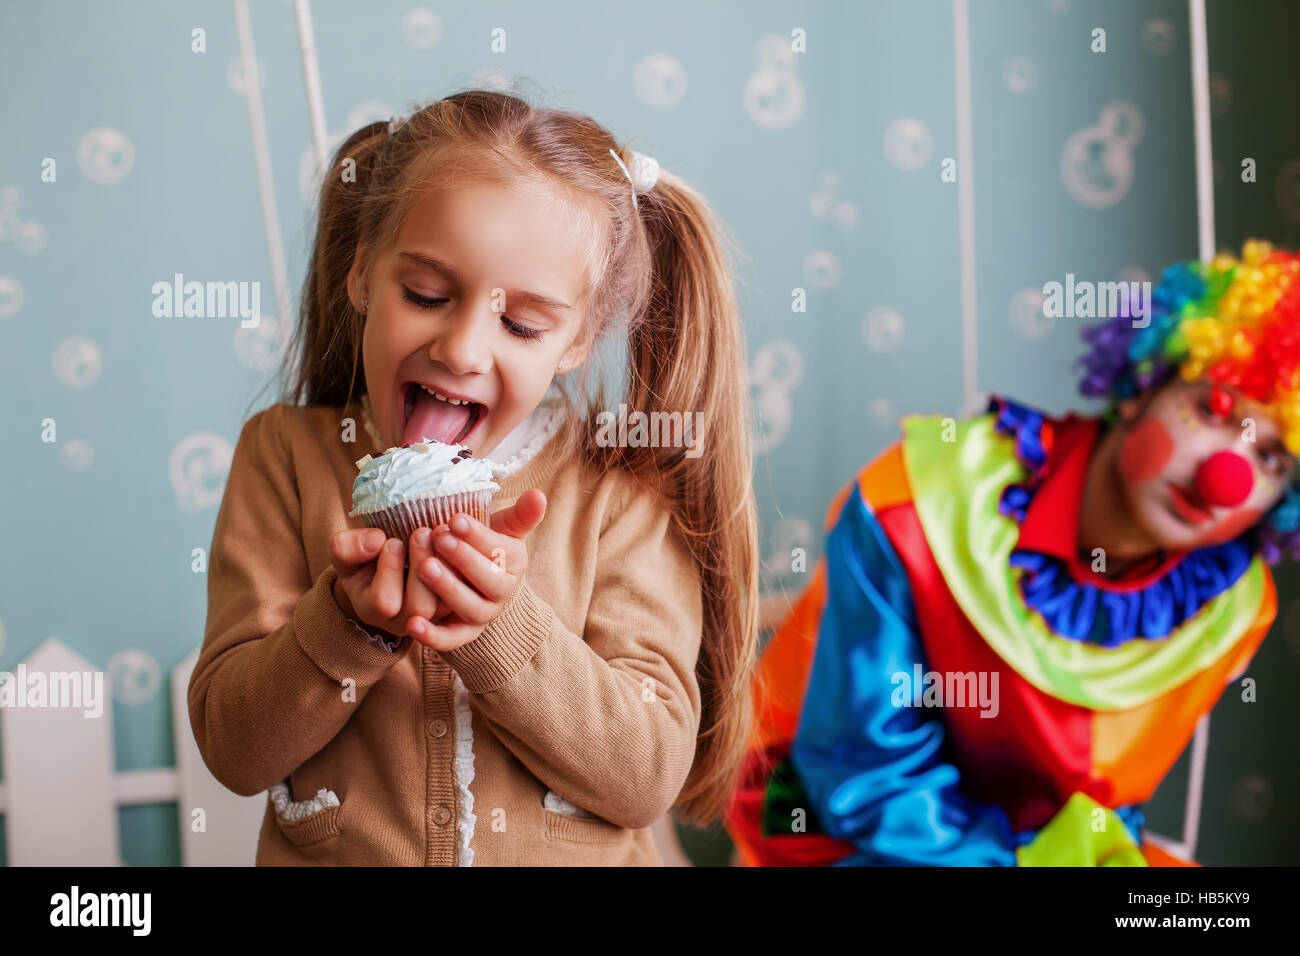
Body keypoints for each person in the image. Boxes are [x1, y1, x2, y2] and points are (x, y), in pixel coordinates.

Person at [190, 90, 759, 865]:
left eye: (522, 324)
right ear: (362, 272)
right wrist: (344, 627)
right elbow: (234, 749)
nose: (461, 349)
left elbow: (648, 776)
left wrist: (504, 631)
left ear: (576, 340)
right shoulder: (283, 458)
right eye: (425, 295)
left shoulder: (619, 493)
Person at [726, 239, 1300, 866]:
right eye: (1212, 411)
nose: (1227, 475)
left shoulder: (1231, 606)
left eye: (1270, 458)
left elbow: (1098, 809)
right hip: (830, 817)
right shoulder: (917, 501)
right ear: (1142, 385)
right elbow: (861, 771)